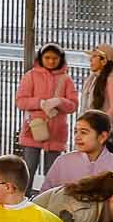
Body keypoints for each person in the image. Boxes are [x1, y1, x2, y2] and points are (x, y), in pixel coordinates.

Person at [14, 44, 78, 176]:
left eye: (55, 58)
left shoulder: (66, 79)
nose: (51, 61)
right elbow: (20, 101)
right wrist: (39, 103)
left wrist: (60, 101)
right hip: (33, 130)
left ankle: (49, 197)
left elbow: (73, 105)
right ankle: (24, 196)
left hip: (56, 133)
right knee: (28, 170)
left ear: (61, 59)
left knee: (52, 173)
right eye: (47, 57)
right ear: (41, 58)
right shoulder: (31, 76)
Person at [39, 109, 113, 192]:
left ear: (103, 137)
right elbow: (44, 197)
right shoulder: (63, 162)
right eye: (76, 131)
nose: (77, 137)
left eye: (83, 132)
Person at [84, 44, 113, 123]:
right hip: (92, 128)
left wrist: (99, 126)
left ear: (104, 60)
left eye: (94, 56)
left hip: (104, 130)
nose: (90, 59)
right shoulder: (94, 77)